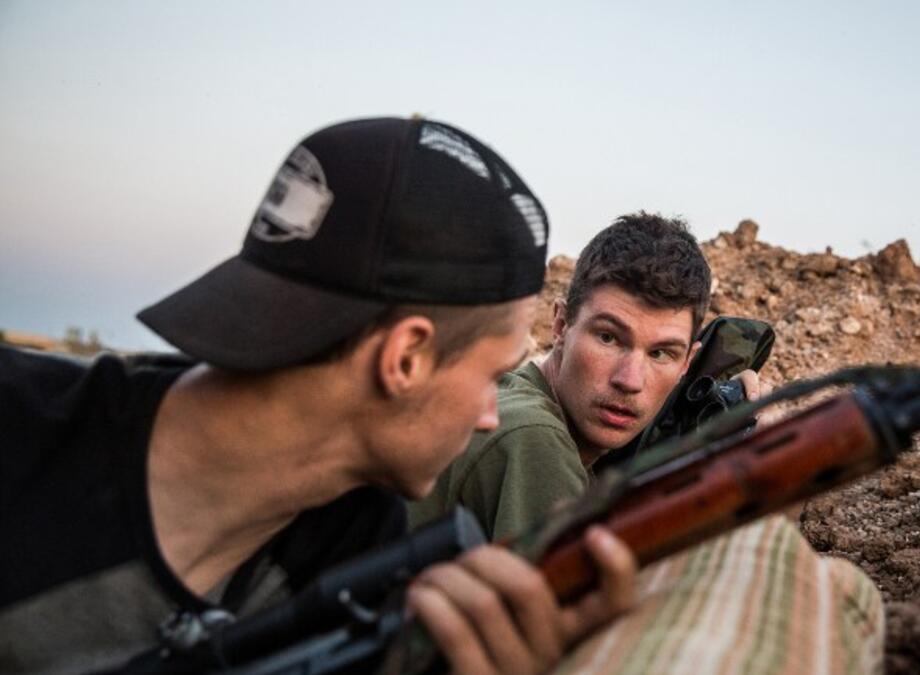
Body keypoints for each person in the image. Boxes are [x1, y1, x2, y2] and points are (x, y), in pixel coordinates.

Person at [0, 117, 636, 675]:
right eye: (495, 376)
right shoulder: (18, 431)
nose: (491, 415)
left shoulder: (365, 549)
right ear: (405, 358)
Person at [408, 212, 762, 539]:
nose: (630, 380)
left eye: (661, 354)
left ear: (687, 363)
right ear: (561, 324)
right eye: (608, 338)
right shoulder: (534, 439)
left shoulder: (513, 397)